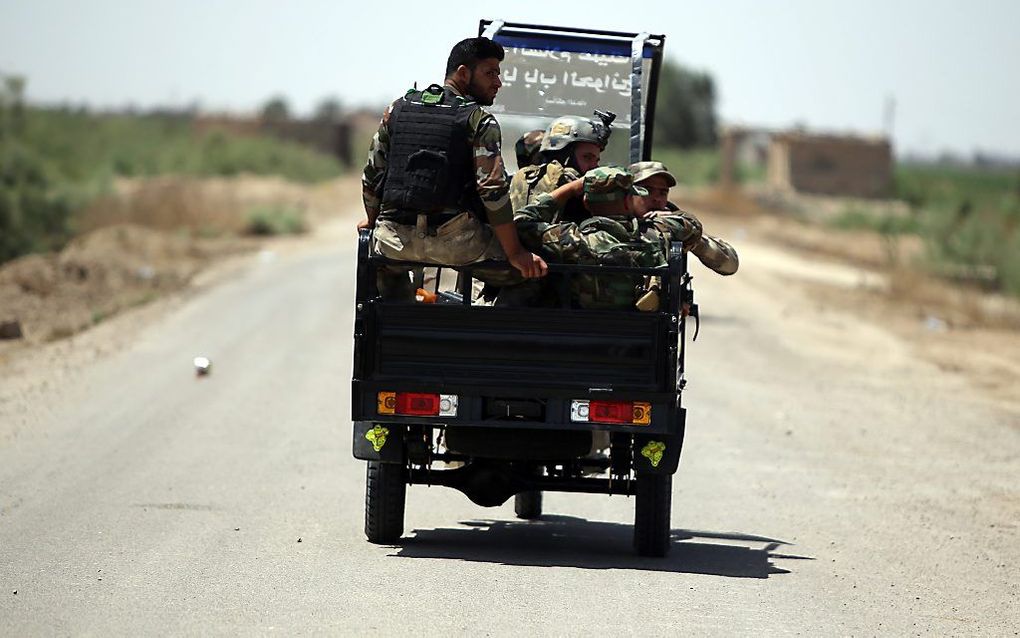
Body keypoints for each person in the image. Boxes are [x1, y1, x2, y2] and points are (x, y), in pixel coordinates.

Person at [359, 36, 547, 300]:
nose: (498, 82)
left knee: (384, 276)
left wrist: (371, 218)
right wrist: (516, 253)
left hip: (395, 238)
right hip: (457, 240)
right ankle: (484, 339)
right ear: (463, 72)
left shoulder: (397, 109)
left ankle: (401, 332)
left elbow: (372, 175)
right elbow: (492, 192)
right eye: (490, 73)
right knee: (531, 275)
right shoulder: (477, 120)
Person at [507, 166, 737, 309]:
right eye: (645, 190)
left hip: (576, 335)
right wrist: (663, 219)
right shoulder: (658, 233)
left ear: (586, 203)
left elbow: (521, 222)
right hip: (638, 345)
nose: (656, 199)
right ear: (629, 200)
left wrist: (572, 188)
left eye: (662, 192)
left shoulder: (569, 238)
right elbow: (692, 225)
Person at [628, 161, 739, 276]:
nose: (657, 198)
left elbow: (730, 264)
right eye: (648, 190)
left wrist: (686, 233)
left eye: (663, 193)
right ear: (629, 193)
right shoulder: (615, 222)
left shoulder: (676, 225)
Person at [508, 112, 614, 219]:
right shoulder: (536, 181)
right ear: (563, 156)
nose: (594, 167)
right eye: (587, 157)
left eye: (596, 160)